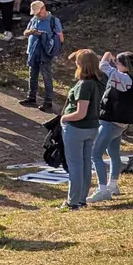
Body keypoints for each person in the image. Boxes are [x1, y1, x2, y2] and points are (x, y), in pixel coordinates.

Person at [88, 51, 133, 202]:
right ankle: (113, 184)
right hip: (120, 123)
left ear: (124, 65)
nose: (116, 65)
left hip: (111, 122)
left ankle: (102, 189)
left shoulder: (122, 78)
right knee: (114, 154)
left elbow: (103, 66)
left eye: (118, 63)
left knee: (95, 154)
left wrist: (107, 55)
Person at [59, 50, 103, 210]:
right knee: (84, 164)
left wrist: (63, 118)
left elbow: (80, 113)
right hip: (92, 127)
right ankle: (81, 199)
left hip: (77, 128)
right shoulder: (99, 81)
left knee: (75, 165)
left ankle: (73, 201)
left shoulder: (85, 85)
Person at [20, 1, 64, 112]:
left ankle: (48, 101)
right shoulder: (34, 19)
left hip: (45, 53)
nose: (37, 15)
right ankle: (31, 97)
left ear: (43, 8)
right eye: (35, 13)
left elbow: (60, 38)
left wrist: (44, 35)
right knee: (32, 76)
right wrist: (31, 31)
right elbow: (25, 33)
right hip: (32, 51)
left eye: (38, 12)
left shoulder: (54, 20)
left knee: (46, 77)